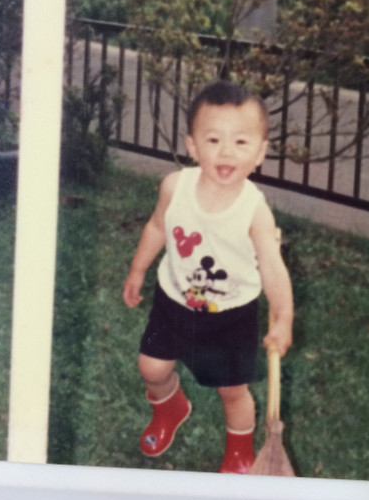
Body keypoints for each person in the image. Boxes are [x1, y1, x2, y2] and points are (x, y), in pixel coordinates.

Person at [123, 80, 294, 473]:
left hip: (231, 314)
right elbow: (157, 226)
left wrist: (283, 317)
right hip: (173, 301)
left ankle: (239, 450)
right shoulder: (174, 187)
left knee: (231, 390)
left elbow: (272, 266)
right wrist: (138, 270)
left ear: (260, 153)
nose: (226, 152)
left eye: (241, 142)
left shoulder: (254, 210)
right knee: (151, 368)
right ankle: (170, 407)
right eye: (213, 139)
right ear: (193, 146)